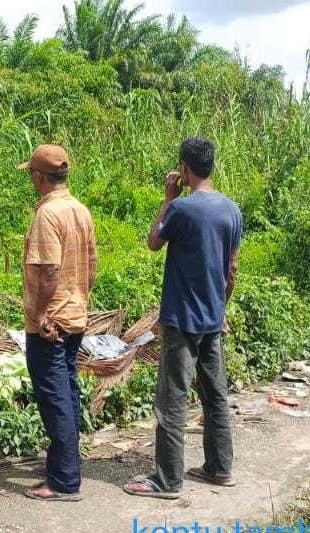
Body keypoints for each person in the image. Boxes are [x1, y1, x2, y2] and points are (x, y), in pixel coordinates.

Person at [124, 136, 241, 499]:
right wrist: (219, 309)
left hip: (181, 320)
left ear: (184, 169)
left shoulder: (181, 210)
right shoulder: (231, 211)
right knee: (215, 394)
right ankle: (219, 468)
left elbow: (153, 243)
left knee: (172, 398)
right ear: (213, 165)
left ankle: (168, 480)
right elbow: (232, 269)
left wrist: (168, 198)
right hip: (212, 319)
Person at [19, 144, 97, 502]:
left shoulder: (47, 215)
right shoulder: (79, 210)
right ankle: (65, 464)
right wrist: (79, 299)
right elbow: (91, 263)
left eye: (31, 174)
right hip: (74, 316)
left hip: (50, 324)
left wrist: (40, 316)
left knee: (55, 399)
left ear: (38, 176)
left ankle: (65, 481)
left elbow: (49, 270)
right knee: (67, 390)